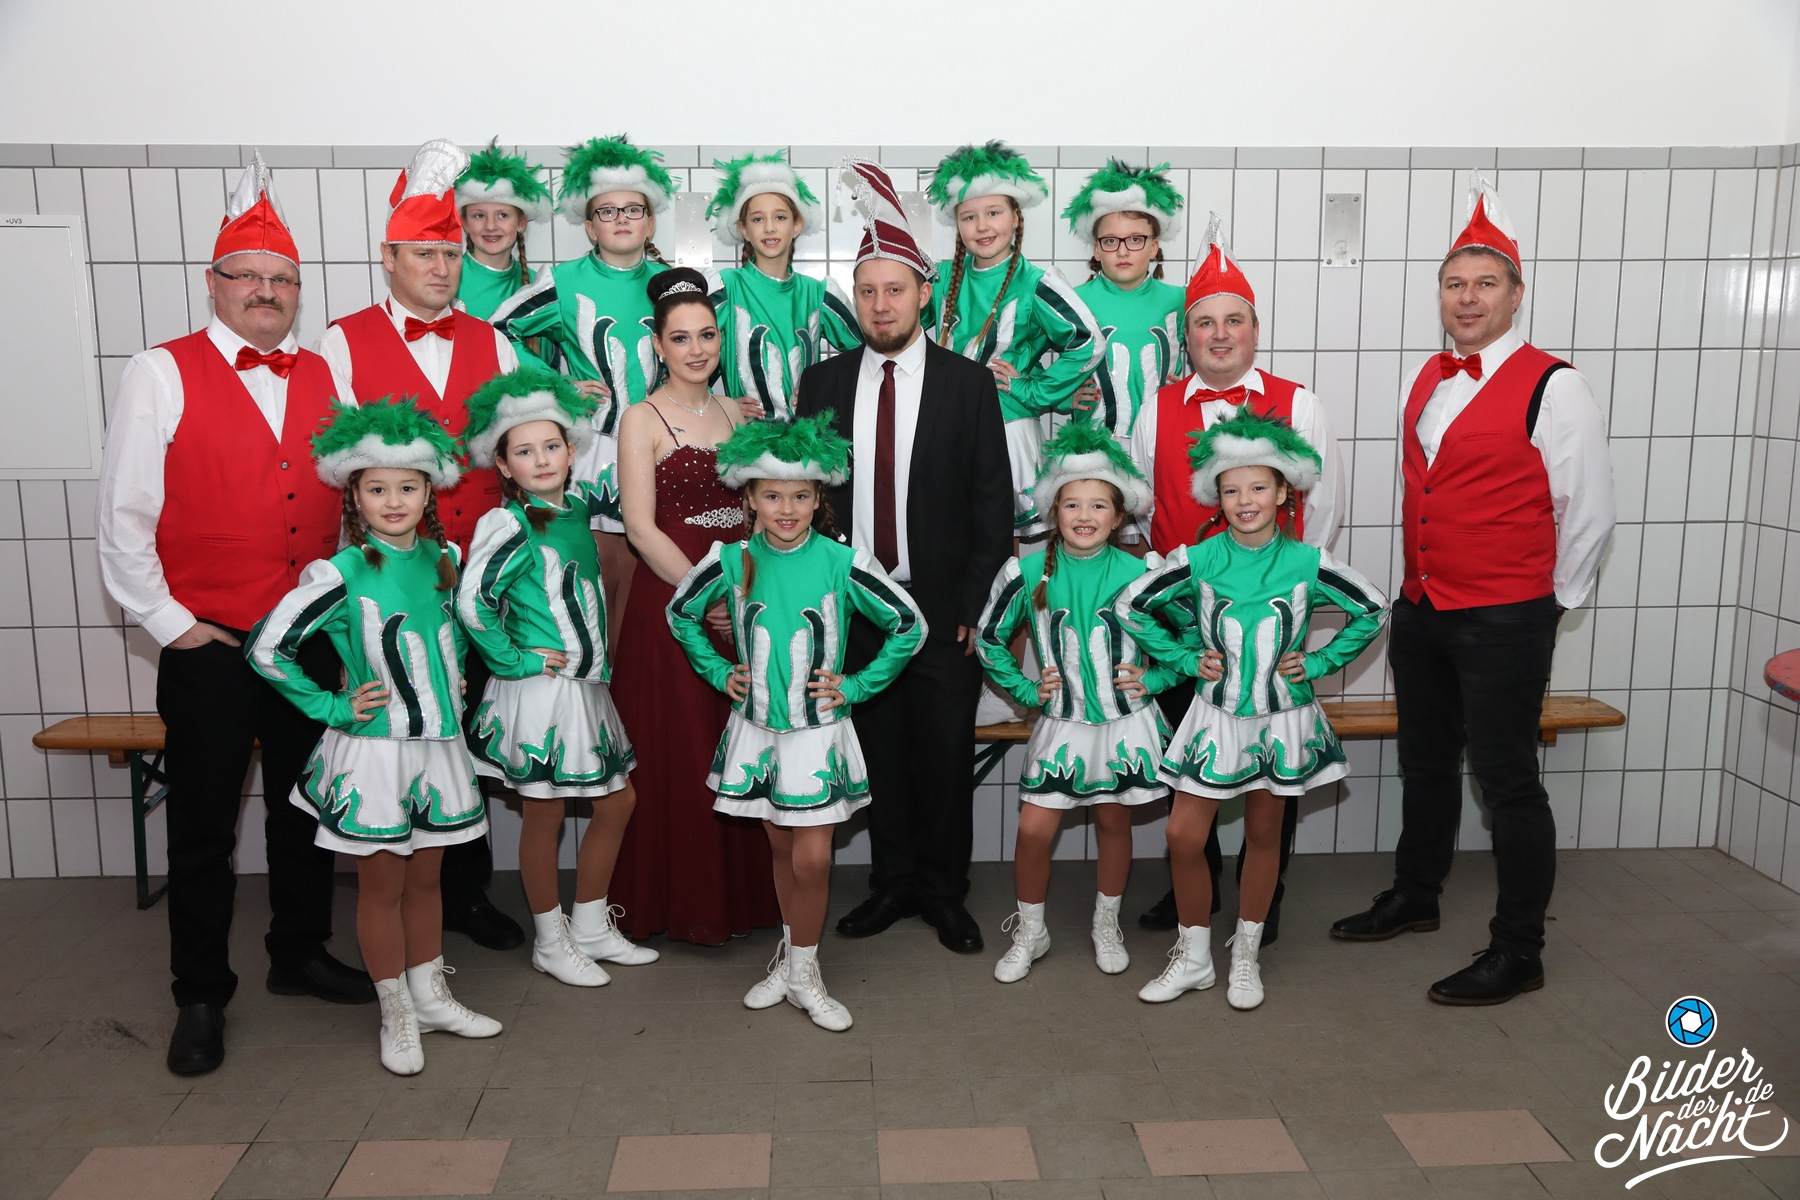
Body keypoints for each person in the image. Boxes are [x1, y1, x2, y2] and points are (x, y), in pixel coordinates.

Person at [94, 153, 370, 1077]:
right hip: (209, 638)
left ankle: (298, 953)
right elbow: (124, 514)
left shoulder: (325, 374)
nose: (265, 292)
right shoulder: (159, 371)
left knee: (303, 807)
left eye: (281, 279)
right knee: (204, 826)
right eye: (246, 276)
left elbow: (358, 503)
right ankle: (201, 993)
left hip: (308, 642)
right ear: (212, 283)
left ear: (298, 292)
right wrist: (172, 624)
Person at [1330, 175, 1615, 1006]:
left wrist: (1548, 604)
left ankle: (1519, 948)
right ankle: (1416, 895)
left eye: (1486, 282)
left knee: (1507, 780)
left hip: (1506, 615)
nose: (1467, 297)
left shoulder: (1554, 385)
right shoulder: (1425, 376)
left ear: (1516, 295)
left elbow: (1589, 508)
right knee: (1424, 763)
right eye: (1455, 283)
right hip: (1422, 609)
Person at [246, 398, 503, 1075]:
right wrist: (331, 706)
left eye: (408, 487)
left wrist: (454, 678)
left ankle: (431, 997)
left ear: (429, 492)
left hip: (438, 748)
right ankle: (396, 1012)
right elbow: (268, 648)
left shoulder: (445, 556)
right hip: (374, 755)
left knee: (429, 881)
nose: (394, 502)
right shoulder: (340, 573)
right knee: (382, 886)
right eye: (378, 488)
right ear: (354, 495)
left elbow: (449, 630)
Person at [794, 160, 1012, 955]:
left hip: (943, 607)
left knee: (946, 757)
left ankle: (945, 893)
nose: (880, 304)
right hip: (857, 610)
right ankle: (890, 883)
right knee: (878, 751)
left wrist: (975, 606)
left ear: (924, 293)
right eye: (866, 292)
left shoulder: (967, 385)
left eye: (894, 290)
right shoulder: (821, 384)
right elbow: (805, 501)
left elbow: (992, 505)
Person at [317, 138, 524, 953]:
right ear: (389, 257)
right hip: (389, 580)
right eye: (424, 254)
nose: (441, 268)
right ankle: (389, 897)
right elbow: (340, 473)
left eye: (451, 254)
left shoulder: (494, 341)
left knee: (461, 731)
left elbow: (513, 459)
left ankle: (463, 897)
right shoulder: (342, 341)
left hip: (475, 577)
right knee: (398, 727)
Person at [1119, 407, 1388, 1010]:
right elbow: (1132, 606)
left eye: (1259, 487)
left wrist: (1319, 663)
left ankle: (1245, 954)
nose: (1245, 500)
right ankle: (1194, 958)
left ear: (1284, 492)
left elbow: (1372, 609)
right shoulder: (1197, 558)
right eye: (1232, 489)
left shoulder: (1308, 562)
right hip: (1213, 717)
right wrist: (1186, 658)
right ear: (1216, 497)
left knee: (1265, 835)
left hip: (1282, 718)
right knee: (1183, 835)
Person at [1129, 213, 1349, 941]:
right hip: (1186, 629)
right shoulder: (1155, 409)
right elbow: (1144, 511)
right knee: (1188, 758)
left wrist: (1284, 597)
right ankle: (1195, 889)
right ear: (1186, 336)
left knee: (1270, 768)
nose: (1219, 335)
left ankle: (1266, 894)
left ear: (1254, 329)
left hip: (1268, 627)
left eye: (1233, 321)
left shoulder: (1299, 403)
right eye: (1204, 323)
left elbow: (1322, 516)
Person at [669, 414, 926, 1030]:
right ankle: (791, 962)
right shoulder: (729, 559)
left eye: (801, 496)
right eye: (773, 496)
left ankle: (806, 974)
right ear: (750, 499)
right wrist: (718, 671)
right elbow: (680, 613)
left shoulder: (843, 561)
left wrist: (857, 686)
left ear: (818, 499)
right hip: (757, 731)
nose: (787, 509)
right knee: (782, 849)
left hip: (819, 732)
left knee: (813, 859)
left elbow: (909, 625)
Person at [457, 368, 657, 986]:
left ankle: (590, 925)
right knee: (544, 814)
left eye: (551, 446)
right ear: (503, 464)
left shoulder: (576, 511)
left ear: (573, 451)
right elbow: (472, 603)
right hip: (541, 692)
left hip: (584, 687)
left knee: (618, 801)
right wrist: (517, 660)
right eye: (524, 451)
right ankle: (550, 940)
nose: (541, 460)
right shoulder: (507, 523)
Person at [609, 267, 782, 944]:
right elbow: (639, 528)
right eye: (680, 338)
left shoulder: (736, 413)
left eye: (707, 335)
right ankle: (677, 904)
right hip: (675, 602)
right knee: (680, 750)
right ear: (657, 345)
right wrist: (703, 594)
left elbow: (756, 510)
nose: (696, 349)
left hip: (739, 601)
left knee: (735, 747)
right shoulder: (640, 419)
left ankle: (742, 899)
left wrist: (746, 591)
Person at [975, 423, 1176, 983]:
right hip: (1062, 723)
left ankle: (1106, 923)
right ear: (1053, 512)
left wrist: (1155, 678)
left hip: (1124, 723)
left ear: (1119, 516)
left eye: (1098, 505)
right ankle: (1031, 930)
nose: (1084, 516)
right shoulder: (1025, 572)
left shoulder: (1143, 573)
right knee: (1034, 831)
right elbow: (989, 638)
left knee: (1113, 821)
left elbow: (1189, 639)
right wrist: (1024, 692)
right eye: (1071, 504)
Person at [490, 135, 676, 641]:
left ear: (650, 221)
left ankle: (630, 683)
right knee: (589, 574)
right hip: (589, 448)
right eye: (607, 211)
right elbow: (498, 332)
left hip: (658, 445)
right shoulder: (563, 280)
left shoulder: (671, 282)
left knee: (643, 582)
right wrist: (558, 384)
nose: (621, 220)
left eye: (633, 209)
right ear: (590, 225)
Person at [923, 141, 1106, 539]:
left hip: (1008, 430)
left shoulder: (1036, 283)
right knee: (952, 538)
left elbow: (1089, 343)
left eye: (994, 212)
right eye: (969, 217)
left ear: (1016, 217)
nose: (982, 226)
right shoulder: (938, 278)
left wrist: (1034, 391)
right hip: (945, 429)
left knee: (1015, 545)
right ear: (956, 223)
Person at [1063, 160, 1187, 531]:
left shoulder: (1179, 299)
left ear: (1154, 246)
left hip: (1162, 442)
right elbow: (1042, 363)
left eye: (1136, 239)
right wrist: (1064, 397)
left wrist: (1186, 390)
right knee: (1099, 529)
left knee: (1157, 532)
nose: (1123, 250)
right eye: (1110, 241)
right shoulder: (1073, 300)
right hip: (1096, 443)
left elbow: (1205, 361)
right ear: (1096, 249)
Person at [703, 151, 862, 421]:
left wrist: (828, 391)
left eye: (780, 217)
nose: (769, 228)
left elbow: (867, 354)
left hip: (808, 440)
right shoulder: (725, 288)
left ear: (797, 225)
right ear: (743, 229)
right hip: (742, 438)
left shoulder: (818, 294)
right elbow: (685, 358)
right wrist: (718, 405)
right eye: (757, 219)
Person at [455, 139, 553, 344]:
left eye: (503, 215)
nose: (491, 226)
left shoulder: (538, 284)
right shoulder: (448, 278)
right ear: (465, 223)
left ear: (521, 222)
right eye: (479, 215)